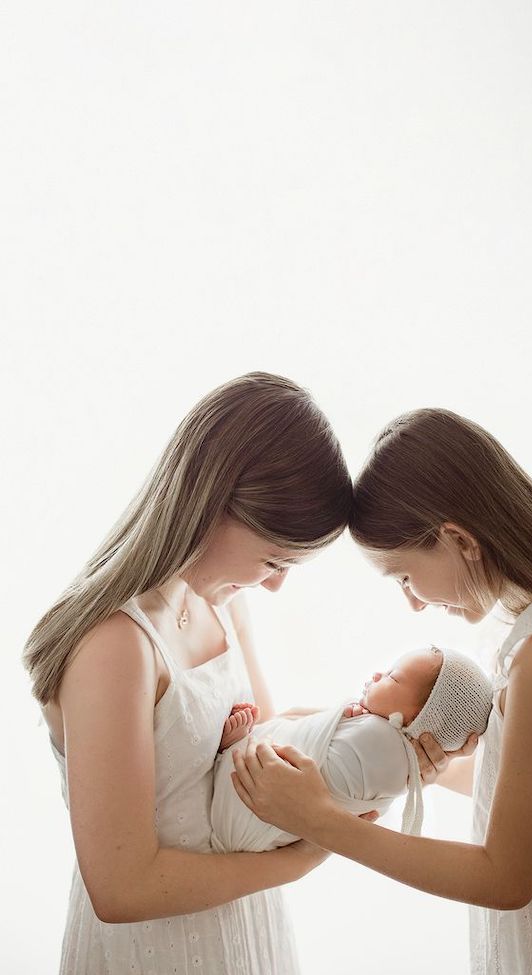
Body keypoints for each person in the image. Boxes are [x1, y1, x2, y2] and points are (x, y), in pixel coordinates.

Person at [231, 407, 532, 974]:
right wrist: (431, 767)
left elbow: (505, 878)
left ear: (458, 539)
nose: (414, 603)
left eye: (403, 576)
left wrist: (324, 821)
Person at [22, 372, 377, 974]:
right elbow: (123, 888)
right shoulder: (117, 645)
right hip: (154, 951)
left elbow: (258, 741)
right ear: (212, 505)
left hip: (245, 928)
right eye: (274, 559)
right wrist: (304, 856)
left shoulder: (222, 602)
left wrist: (357, 727)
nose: (276, 584)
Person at [210, 645, 493, 852]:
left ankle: (235, 749)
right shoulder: (374, 732)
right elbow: (303, 727)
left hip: (249, 806)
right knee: (280, 740)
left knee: (269, 756)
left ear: (420, 720)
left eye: (393, 677)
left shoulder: (383, 744)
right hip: (249, 820)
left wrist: (345, 717)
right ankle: (237, 747)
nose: (378, 674)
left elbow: (321, 767)